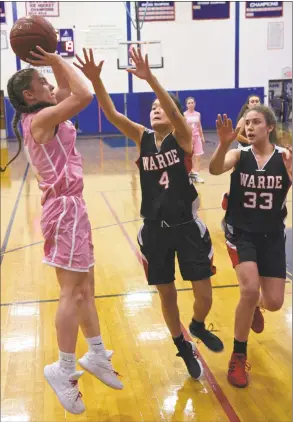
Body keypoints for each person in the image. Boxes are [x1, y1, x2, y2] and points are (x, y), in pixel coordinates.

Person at [73, 47, 224, 381]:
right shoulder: (142, 138)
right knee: (166, 293)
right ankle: (182, 345)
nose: (157, 110)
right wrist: (97, 81)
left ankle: (197, 325)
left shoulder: (182, 137)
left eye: (161, 107)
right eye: (153, 108)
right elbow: (112, 114)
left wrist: (151, 79)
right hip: (154, 229)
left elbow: (173, 109)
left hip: (187, 226)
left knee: (204, 295)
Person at [6, 46, 122, 415]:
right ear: (30, 95)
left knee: (86, 287)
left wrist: (52, 64)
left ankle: (98, 353)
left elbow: (67, 90)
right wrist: (56, 59)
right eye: (42, 81)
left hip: (74, 206)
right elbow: (84, 94)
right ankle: (64, 370)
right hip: (64, 209)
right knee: (71, 292)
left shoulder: (45, 111)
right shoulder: (40, 120)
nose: (49, 84)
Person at [209, 106, 292, 388]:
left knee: (274, 302)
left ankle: (257, 306)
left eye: (257, 122)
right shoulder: (239, 155)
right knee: (248, 288)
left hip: (271, 235)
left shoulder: (284, 157)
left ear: (269, 127)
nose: (250, 127)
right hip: (241, 232)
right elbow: (214, 168)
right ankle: (238, 356)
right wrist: (222, 144)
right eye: (247, 123)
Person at [184, 97, 205, 183]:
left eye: (192, 102)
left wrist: (202, 136)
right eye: (189, 103)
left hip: (197, 137)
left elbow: (199, 126)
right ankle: (189, 175)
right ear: (186, 105)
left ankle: (196, 175)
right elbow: (183, 128)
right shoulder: (184, 114)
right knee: (189, 158)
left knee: (198, 156)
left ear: (194, 104)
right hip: (188, 138)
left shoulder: (198, 114)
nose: (191, 104)